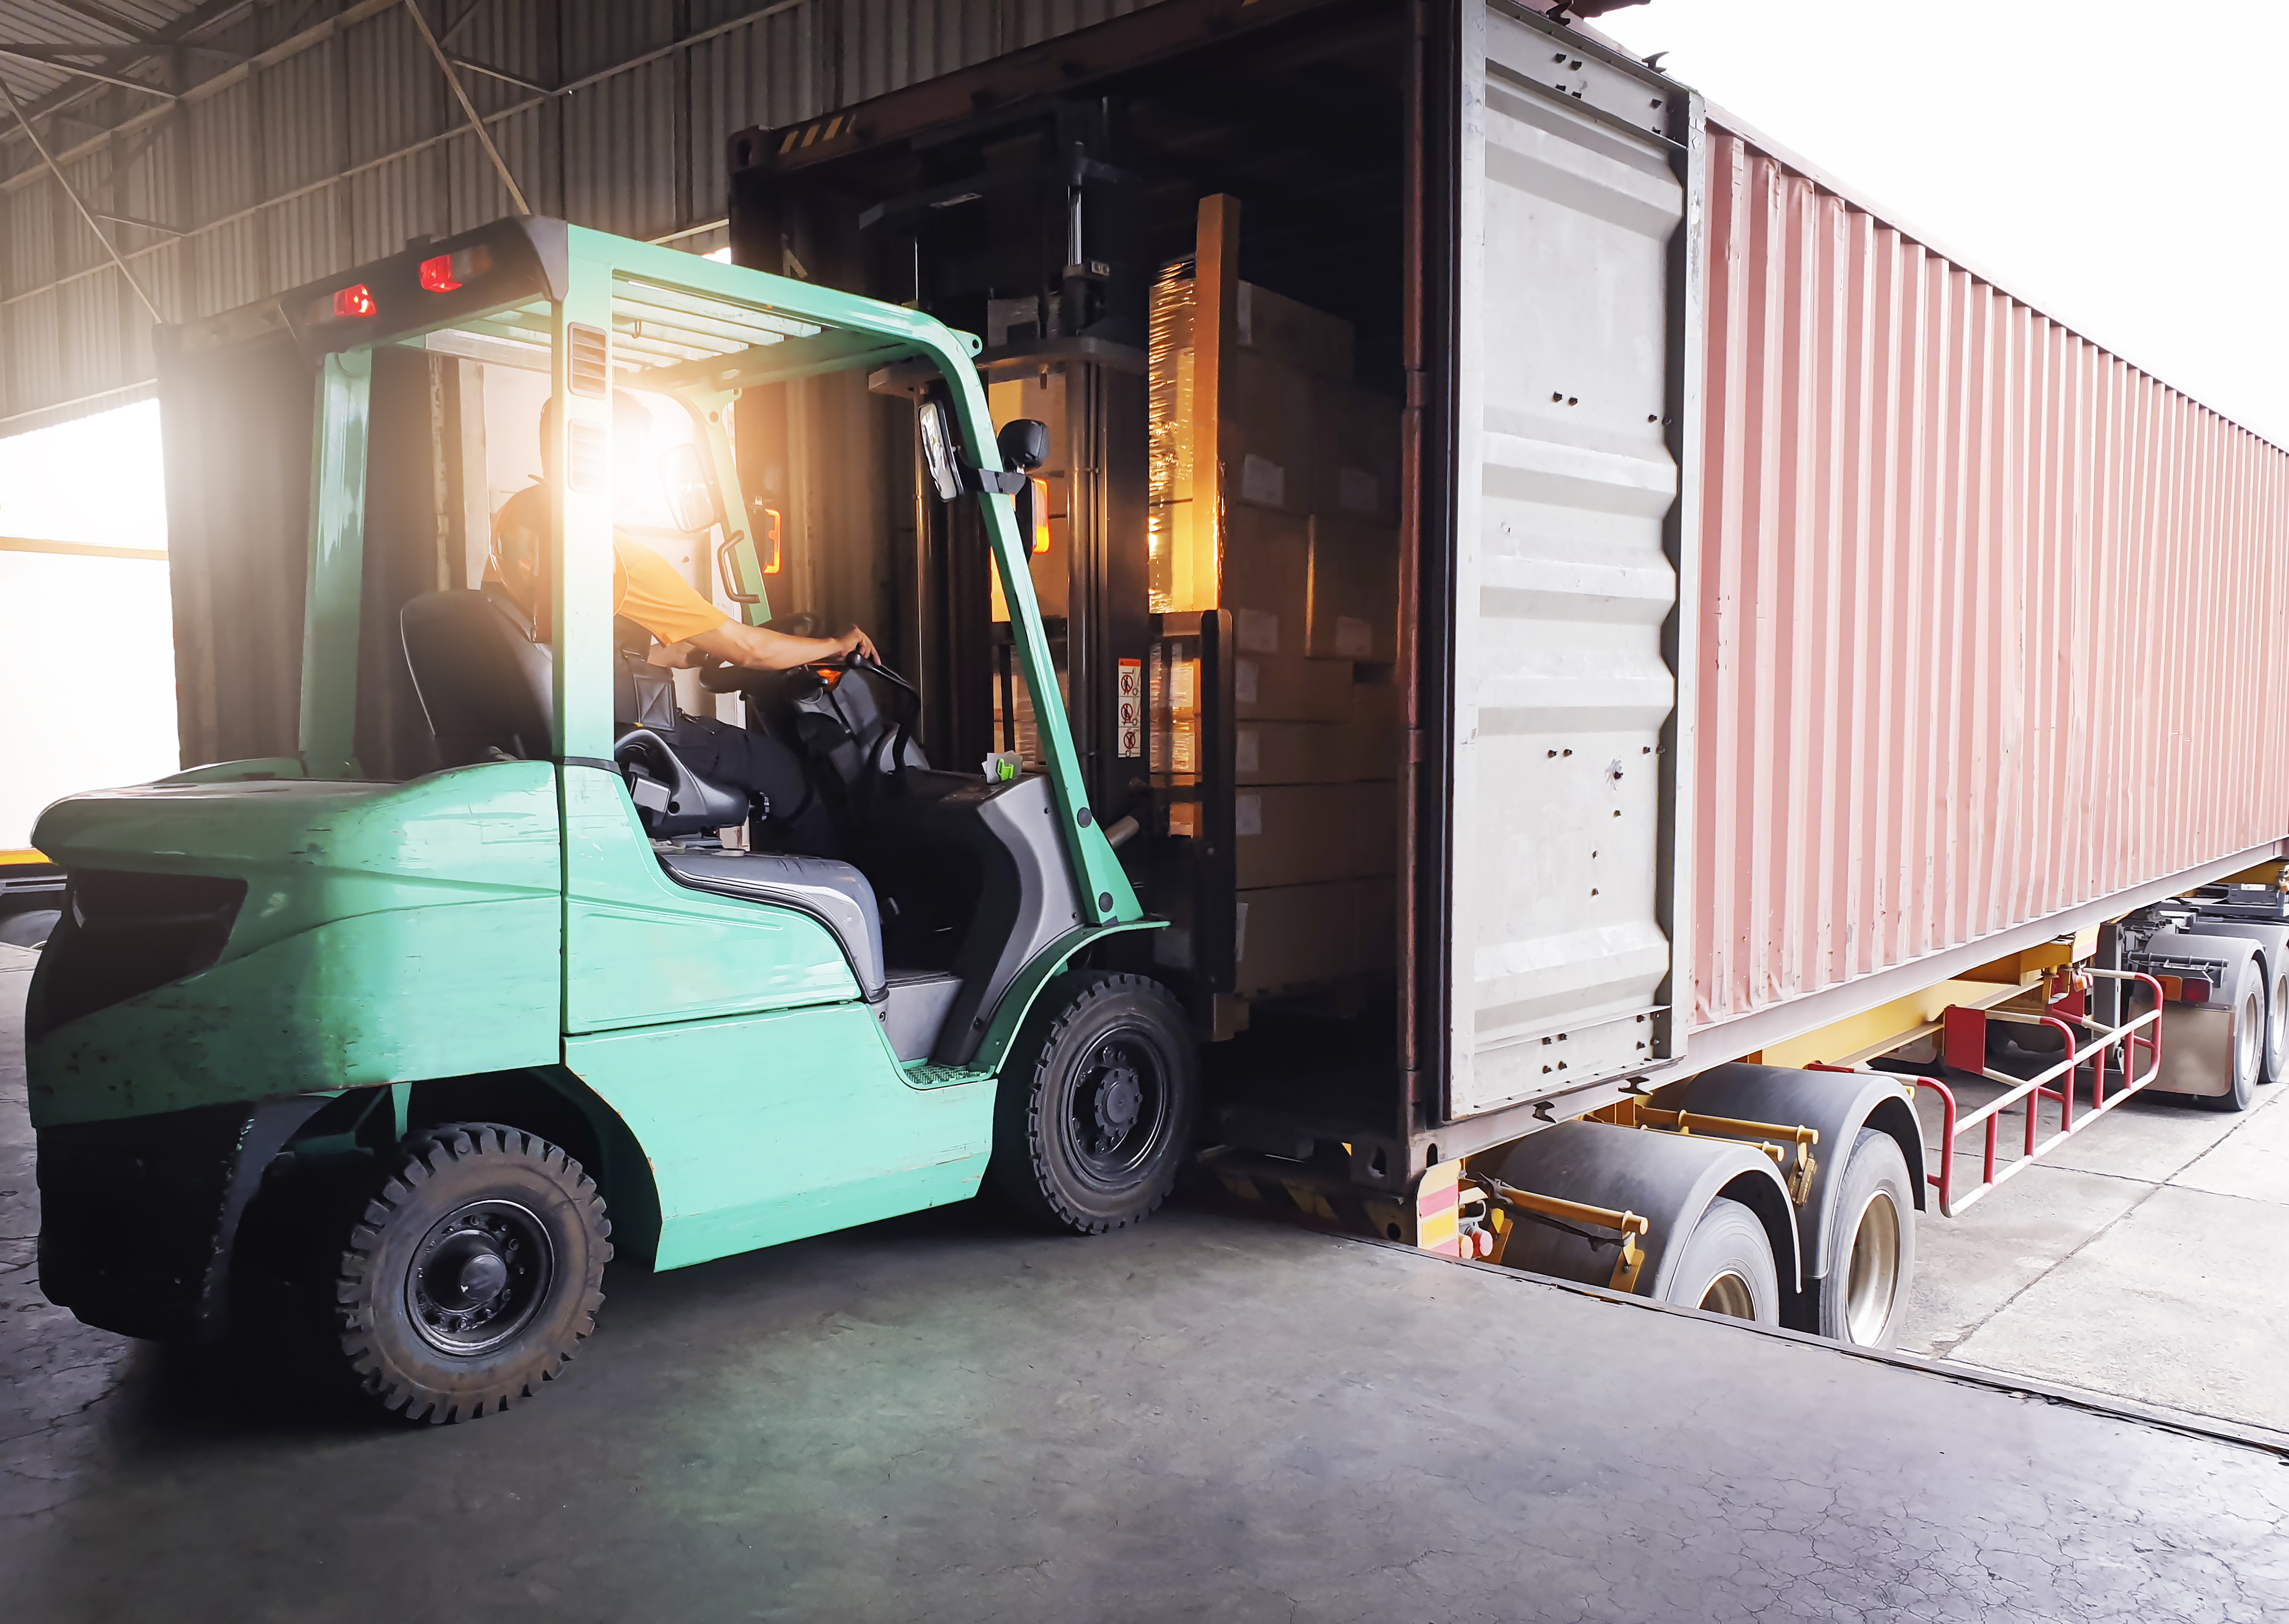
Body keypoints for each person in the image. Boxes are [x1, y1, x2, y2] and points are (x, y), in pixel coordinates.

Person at [489, 390, 873, 854]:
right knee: (784, 773)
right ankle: (836, 891)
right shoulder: (613, 552)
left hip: (568, 723)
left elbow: (559, 645)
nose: (636, 469)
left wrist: (680, 654)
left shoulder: (520, 521)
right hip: (625, 735)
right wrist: (834, 645)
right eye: (631, 453)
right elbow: (748, 649)